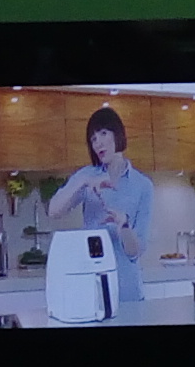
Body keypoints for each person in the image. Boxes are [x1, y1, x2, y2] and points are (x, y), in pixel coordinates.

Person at [41, 105, 155, 317]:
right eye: (93, 139)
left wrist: (124, 225)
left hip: (128, 290)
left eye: (103, 133)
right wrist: (84, 181)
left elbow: (136, 251)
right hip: (92, 289)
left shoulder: (143, 186)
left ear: (117, 134)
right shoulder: (87, 175)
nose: (98, 143)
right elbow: (53, 211)